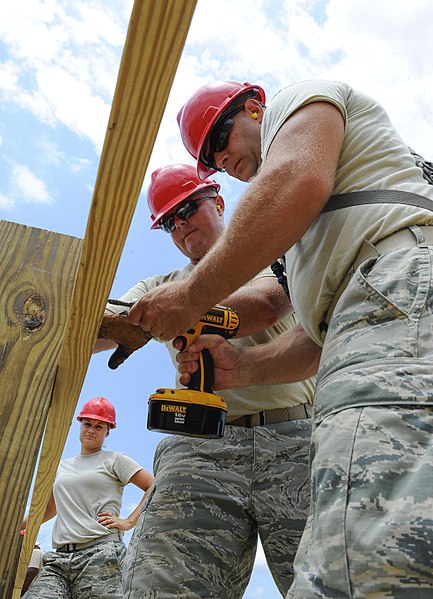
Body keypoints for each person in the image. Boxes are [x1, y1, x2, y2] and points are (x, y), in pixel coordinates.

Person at [127, 80, 433, 597]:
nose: (221, 156)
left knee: (369, 555)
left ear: (255, 107)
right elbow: (317, 338)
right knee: (349, 553)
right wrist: (244, 369)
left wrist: (192, 299)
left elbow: (295, 180)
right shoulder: (307, 246)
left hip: (399, 287)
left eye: (220, 138)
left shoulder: (303, 101)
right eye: (209, 155)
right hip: (367, 321)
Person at [96, 163, 316, 598]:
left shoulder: (273, 259)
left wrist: (188, 307)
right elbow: (102, 329)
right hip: (201, 446)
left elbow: (270, 304)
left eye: (188, 209)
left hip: (296, 438)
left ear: (217, 202)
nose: (180, 226)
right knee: (162, 583)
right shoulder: (159, 288)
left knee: (336, 577)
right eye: (168, 223)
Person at [22, 396, 153, 598]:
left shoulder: (115, 460)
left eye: (99, 426)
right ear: (80, 425)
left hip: (101, 554)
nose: (91, 429)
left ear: (108, 430)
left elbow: (153, 486)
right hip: (59, 559)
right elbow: (48, 510)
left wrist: (128, 522)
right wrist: (14, 526)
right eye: (87, 423)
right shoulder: (61, 467)